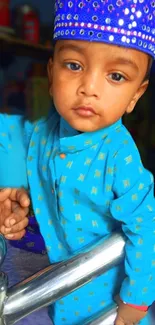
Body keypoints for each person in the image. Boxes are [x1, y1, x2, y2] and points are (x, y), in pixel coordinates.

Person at [0, 1, 155, 324]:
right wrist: (12, 191)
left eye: (115, 75)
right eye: (74, 66)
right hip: (55, 280)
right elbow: (12, 141)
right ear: (50, 70)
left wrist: (135, 303)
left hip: (105, 294)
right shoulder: (43, 130)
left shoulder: (119, 157)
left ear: (135, 96)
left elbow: (146, 230)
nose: (89, 88)